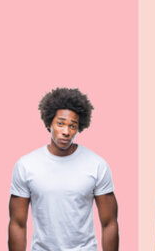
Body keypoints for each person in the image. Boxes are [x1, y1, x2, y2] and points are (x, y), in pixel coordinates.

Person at [9, 87, 118, 251]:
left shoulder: (97, 165)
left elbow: (109, 222)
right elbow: (17, 223)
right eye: (60, 124)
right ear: (49, 123)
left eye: (72, 126)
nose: (66, 132)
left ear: (79, 127)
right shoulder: (26, 165)